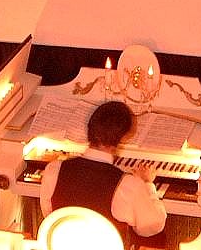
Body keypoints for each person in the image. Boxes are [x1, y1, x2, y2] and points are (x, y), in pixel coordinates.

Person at [39, 101, 167, 239]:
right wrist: (147, 184)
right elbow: (152, 226)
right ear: (123, 138)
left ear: (90, 129)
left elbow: (50, 215)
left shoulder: (54, 169)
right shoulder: (129, 185)